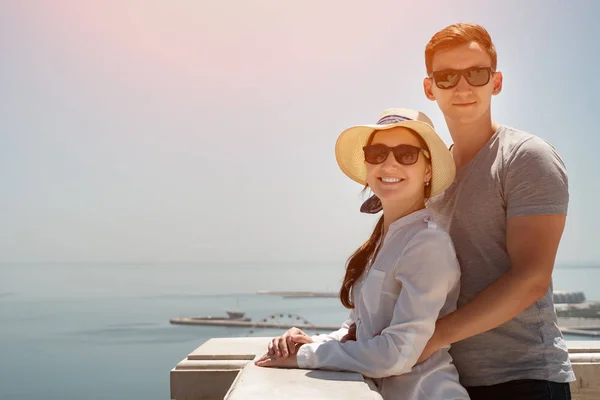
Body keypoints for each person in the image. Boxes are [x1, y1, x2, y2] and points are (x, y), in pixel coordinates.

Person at [255, 108, 470, 400]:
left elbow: (396, 354)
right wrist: (309, 342)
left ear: (428, 169)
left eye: (406, 154)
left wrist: (306, 355)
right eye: (377, 153)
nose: (390, 163)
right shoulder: (384, 239)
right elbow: (360, 328)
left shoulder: (427, 242)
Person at [410, 23, 574, 399]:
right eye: (447, 76)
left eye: (476, 74)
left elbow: (531, 279)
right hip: (447, 380)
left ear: (496, 82)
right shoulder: (431, 177)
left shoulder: (525, 157)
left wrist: (435, 337)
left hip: (524, 381)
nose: (463, 87)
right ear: (429, 88)